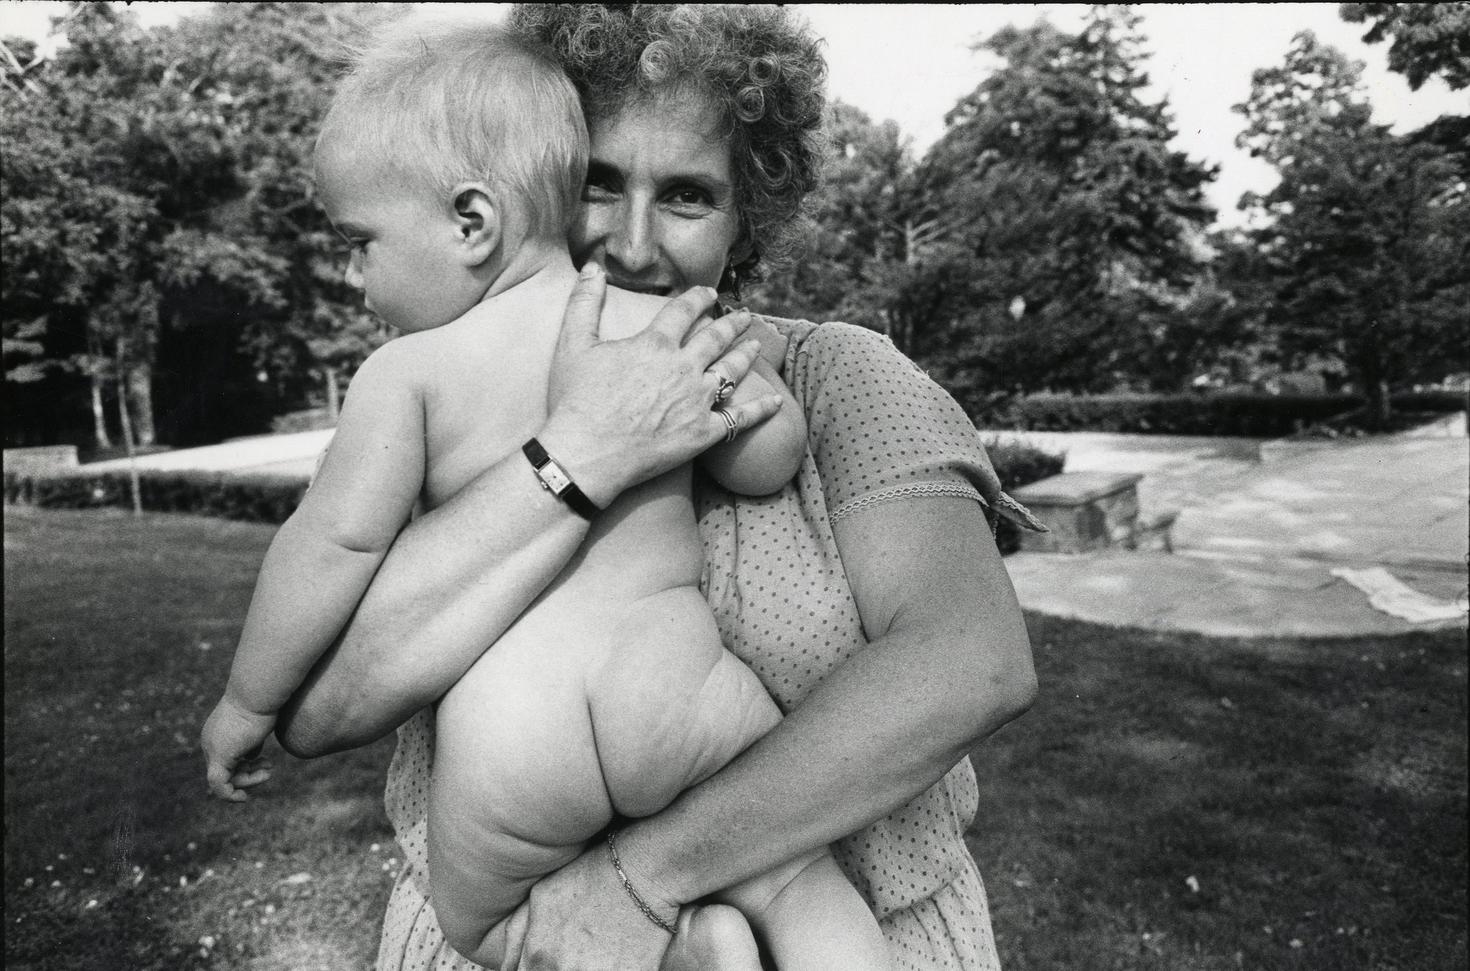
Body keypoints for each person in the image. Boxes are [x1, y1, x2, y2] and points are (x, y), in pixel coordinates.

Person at [275, 5, 1042, 970]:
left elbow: (972, 664)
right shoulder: (439, 396)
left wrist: (640, 881)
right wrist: (575, 459)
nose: (631, 245)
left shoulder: (835, 377)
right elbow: (317, 707)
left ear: (745, 216)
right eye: (598, 183)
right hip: (510, 950)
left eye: (686, 196)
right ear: (523, 181)